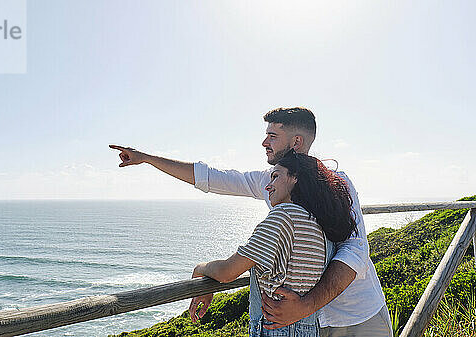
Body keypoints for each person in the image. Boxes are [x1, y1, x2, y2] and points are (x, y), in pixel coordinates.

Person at [109, 107, 392, 336]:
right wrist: (145, 158)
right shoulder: (272, 182)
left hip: (357, 312)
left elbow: (354, 251)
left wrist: (307, 306)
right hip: (308, 324)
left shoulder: (337, 183)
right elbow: (210, 177)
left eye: (272, 135)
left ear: (296, 142)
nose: (264, 142)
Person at [188, 150, 356, 336]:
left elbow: (228, 271)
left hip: (276, 328)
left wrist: (199, 269)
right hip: (309, 328)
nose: (268, 186)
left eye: (275, 177)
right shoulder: (319, 222)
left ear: (295, 178)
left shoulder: (283, 216)